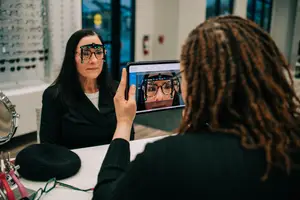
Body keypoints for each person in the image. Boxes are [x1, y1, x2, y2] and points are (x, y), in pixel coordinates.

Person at [93, 16, 300, 199]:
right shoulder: (291, 142)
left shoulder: (167, 159)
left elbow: (107, 195)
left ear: (193, 84)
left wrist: (123, 123)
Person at [39, 29, 134, 149]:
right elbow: (48, 147)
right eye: (86, 53)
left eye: (98, 52)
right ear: (72, 57)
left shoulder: (116, 90)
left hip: (114, 161)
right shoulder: (55, 96)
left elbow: (129, 136)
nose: (94, 61)